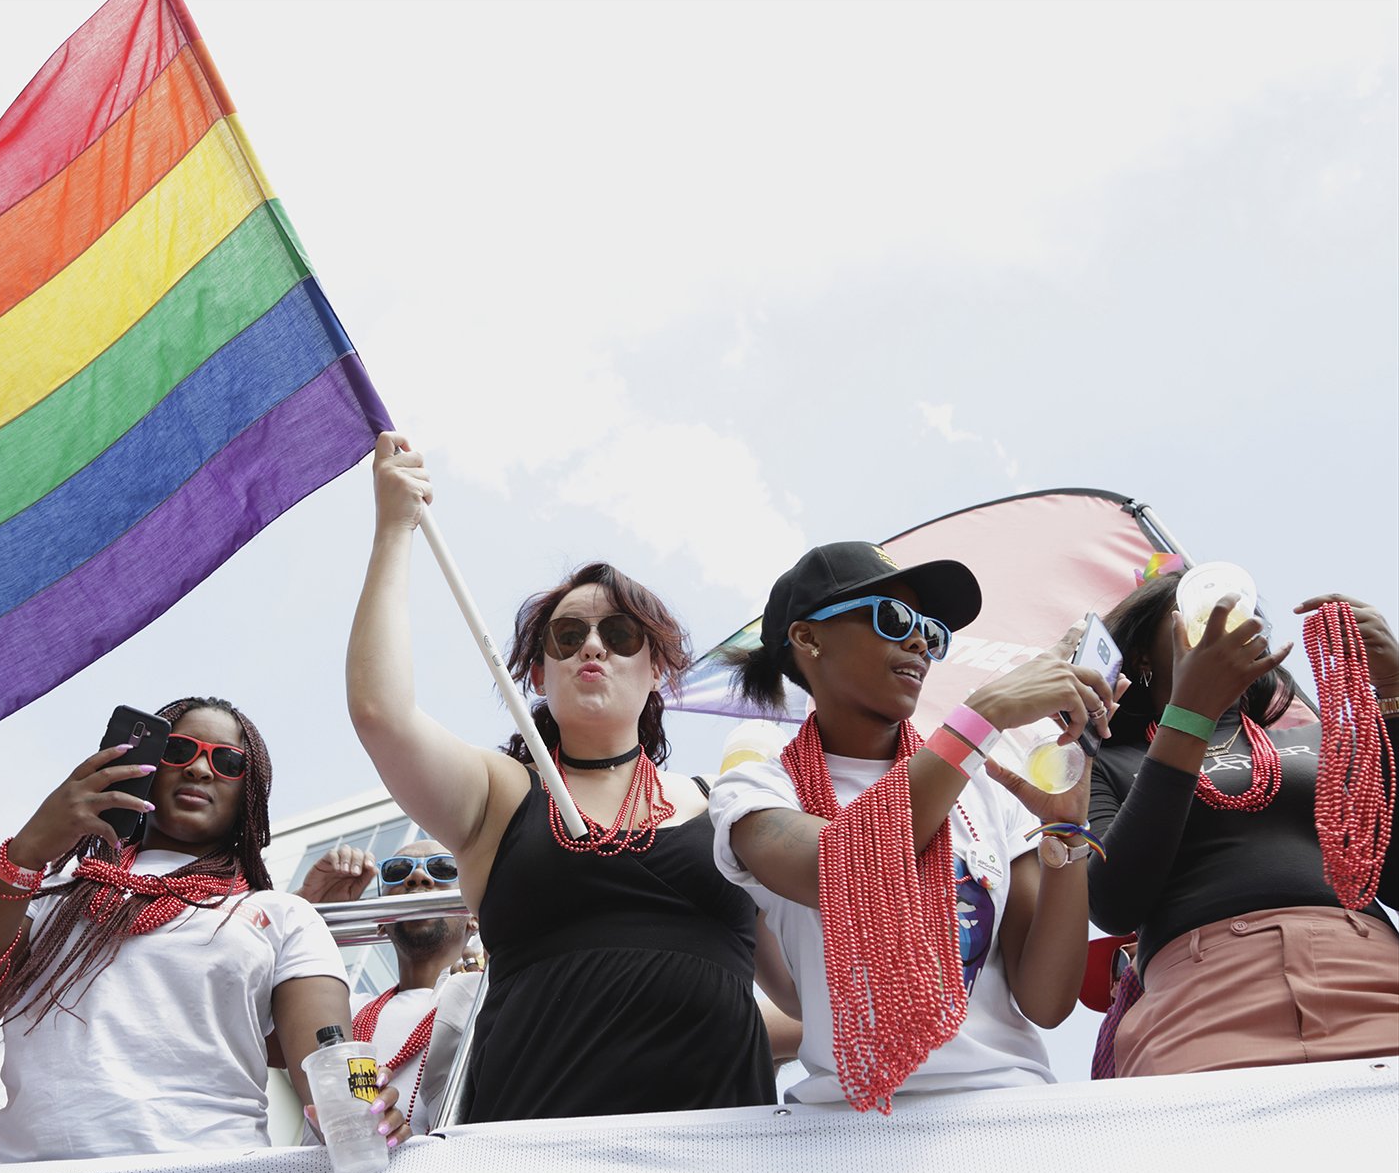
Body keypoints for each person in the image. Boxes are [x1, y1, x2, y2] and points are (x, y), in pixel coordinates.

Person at [347, 432, 777, 1121]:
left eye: (621, 633)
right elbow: (379, 712)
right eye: (567, 636)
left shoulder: (727, 804)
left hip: (719, 1152)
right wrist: (393, 529)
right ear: (537, 674)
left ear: (657, 668)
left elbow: (799, 992)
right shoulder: (500, 792)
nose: (594, 647)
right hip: (538, 1152)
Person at [0, 696, 410, 1167]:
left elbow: (326, 1056)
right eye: (180, 750)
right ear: (147, 765)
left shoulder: (281, 915)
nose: (201, 769)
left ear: (249, 794)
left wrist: (366, 1111)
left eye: (228, 762)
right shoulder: (55, 893)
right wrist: (25, 855)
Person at [709, 542, 1116, 1109]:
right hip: (846, 1127)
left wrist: (1066, 838)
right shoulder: (757, 790)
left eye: (932, 630)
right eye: (893, 618)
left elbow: (1047, 1003)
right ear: (808, 638)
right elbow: (837, 866)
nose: (921, 641)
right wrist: (982, 715)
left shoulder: (990, 789)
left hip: (1003, 1110)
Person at [1086, 576, 1399, 1076]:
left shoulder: (1327, 741)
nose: (1226, 623)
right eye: (1202, 611)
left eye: (1241, 614)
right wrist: (1191, 715)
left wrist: (1394, 692)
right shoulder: (1108, 763)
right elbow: (1114, 902)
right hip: (1201, 1000)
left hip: (1369, 971)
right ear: (1144, 654)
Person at [297, 838, 485, 1133]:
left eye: (443, 868)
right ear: (381, 920)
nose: (418, 877)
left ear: (473, 916)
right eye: (398, 871)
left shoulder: (486, 995)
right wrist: (305, 912)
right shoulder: (344, 1009)